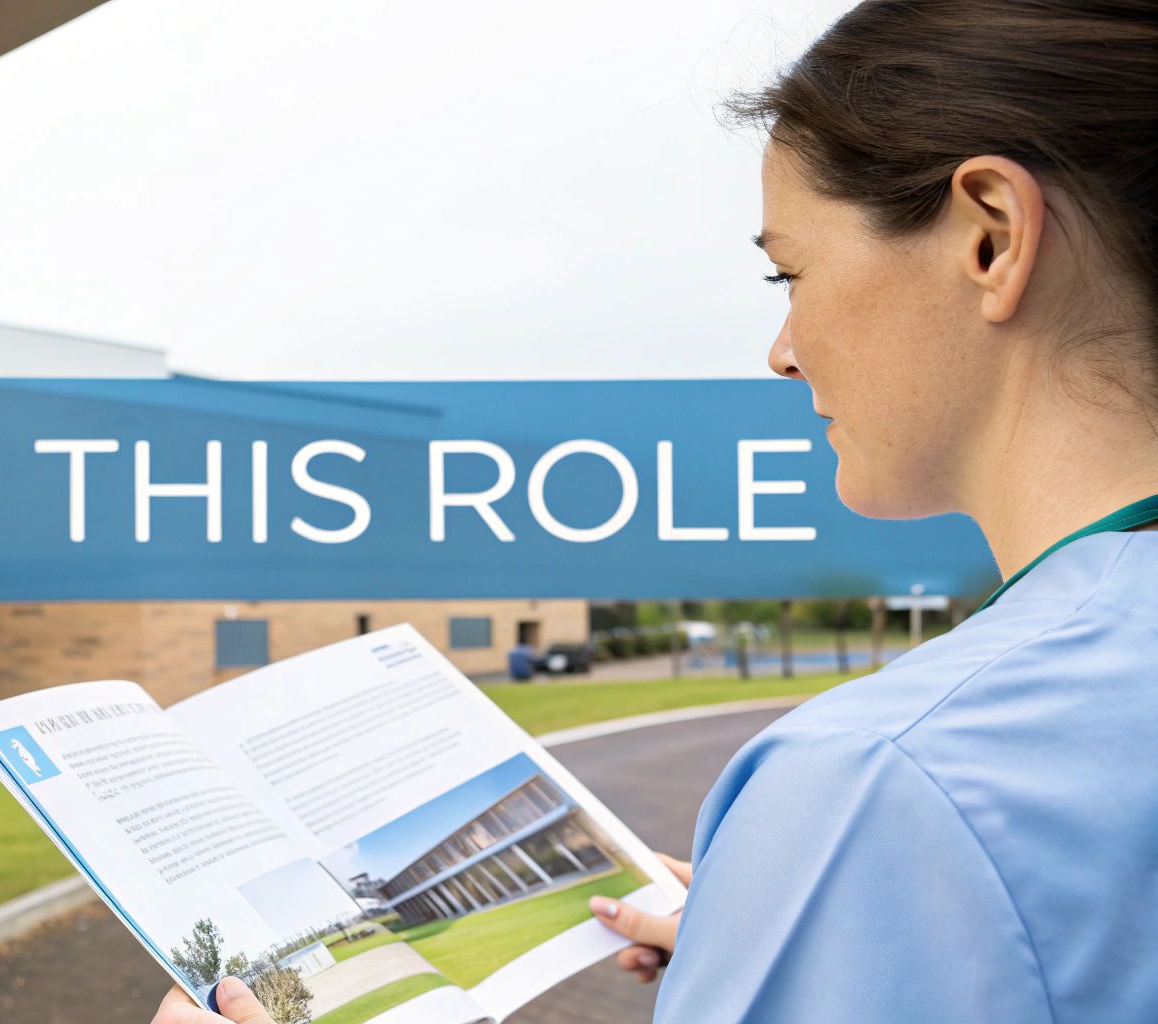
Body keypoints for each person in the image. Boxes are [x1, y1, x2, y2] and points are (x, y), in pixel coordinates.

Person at [152, 1, 1157, 1021]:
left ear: (987, 236)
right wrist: (794, 950)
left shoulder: (878, 781)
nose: (781, 350)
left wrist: (830, 893)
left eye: (788, 272)